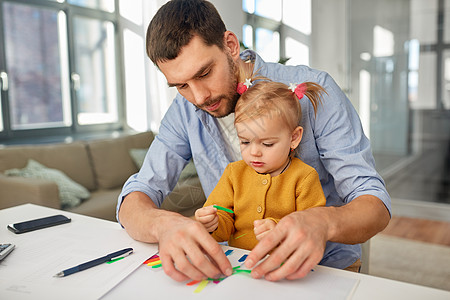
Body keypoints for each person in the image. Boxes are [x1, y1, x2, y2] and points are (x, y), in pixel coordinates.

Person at [117, 0, 391, 282]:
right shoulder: (184, 111)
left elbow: (375, 204)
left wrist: (322, 222)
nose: (198, 98)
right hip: (240, 269)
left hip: (325, 270)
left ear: (231, 46)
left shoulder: (312, 91)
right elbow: (136, 197)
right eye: (181, 85)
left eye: (204, 73)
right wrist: (163, 225)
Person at [195, 76, 328, 251]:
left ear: (294, 138)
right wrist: (212, 223)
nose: (254, 152)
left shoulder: (304, 177)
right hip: (242, 265)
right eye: (245, 142)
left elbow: (312, 227)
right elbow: (224, 224)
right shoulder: (234, 173)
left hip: (288, 266)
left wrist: (281, 230)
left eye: (267, 144)